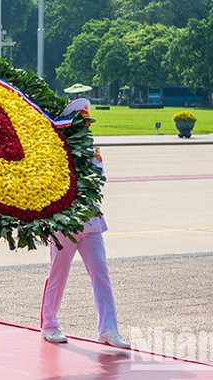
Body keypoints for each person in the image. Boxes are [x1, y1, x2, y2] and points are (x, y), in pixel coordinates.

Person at [40, 98, 130, 349]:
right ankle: (49, 324)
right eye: (81, 123)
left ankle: (108, 329)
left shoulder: (92, 151)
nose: (85, 128)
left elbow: (97, 179)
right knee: (58, 274)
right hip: (65, 224)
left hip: (90, 222)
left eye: (87, 123)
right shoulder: (55, 152)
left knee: (100, 273)